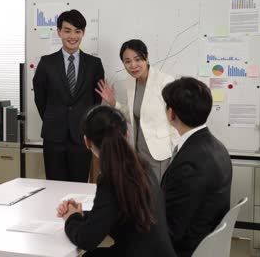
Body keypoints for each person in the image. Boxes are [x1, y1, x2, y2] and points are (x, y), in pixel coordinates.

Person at [56, 105, 176, 257]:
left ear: (87, 142)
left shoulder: (111, 178)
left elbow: (86, 240)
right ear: (126, 134)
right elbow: (113, 212)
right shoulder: (141, 166)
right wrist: (82, 215)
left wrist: (70, 218)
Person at [161, 77, 232, 257]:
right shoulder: (217, 146)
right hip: (205, 241)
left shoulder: (190, 163)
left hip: (185, 249)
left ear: (172, 114)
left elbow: (171, 231)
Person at [33, 9, 105, 182]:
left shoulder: (94, 64)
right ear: (59, 32)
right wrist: (54, 119)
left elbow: (96, 101)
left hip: (81, 137)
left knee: (79, 187)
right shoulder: (46, 63)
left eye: (77, 31)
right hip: (53, 137)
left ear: (83, 33)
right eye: (67, 31)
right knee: (54, 187)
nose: (72, 36)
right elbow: (40, 99)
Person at [96, 39, 178, 181]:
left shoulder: (164, 81)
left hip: (160, 155)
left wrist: (176, 153)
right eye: (127, 61)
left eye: (137, 59)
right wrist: (113, 102)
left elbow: (176, 120)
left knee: (158, 197)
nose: (133, 65)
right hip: (138, 153)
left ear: (146, 57)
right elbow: (133, 116)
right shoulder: (131, 82)